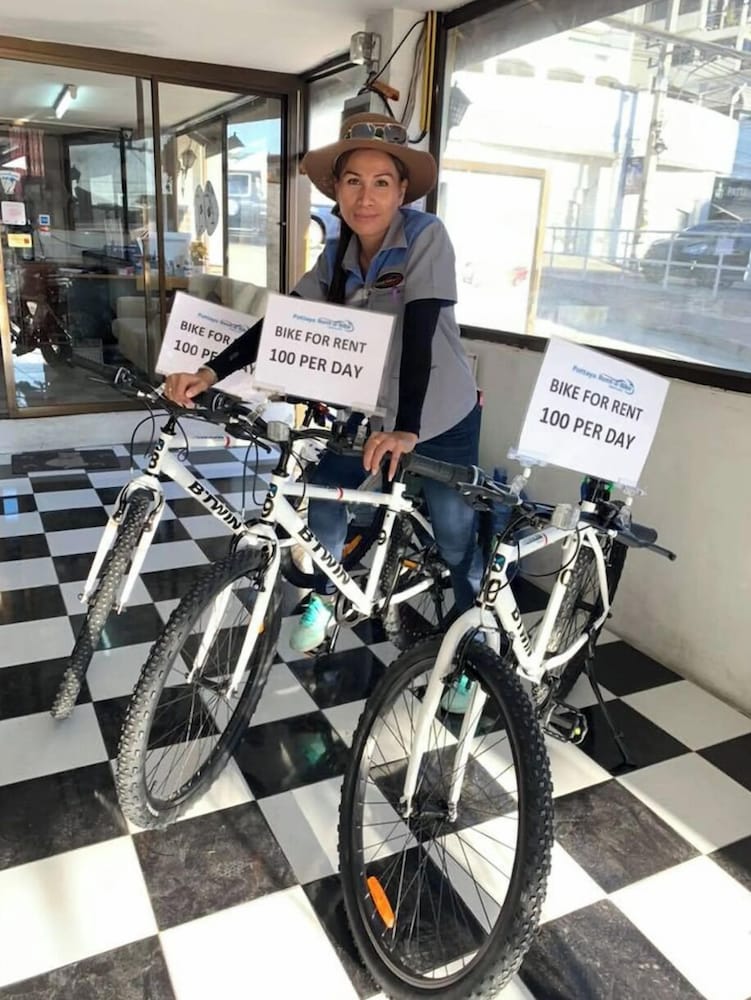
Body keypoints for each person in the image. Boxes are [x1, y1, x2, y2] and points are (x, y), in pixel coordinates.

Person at [164, 112, 482, 653]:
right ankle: (326, 598)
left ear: (401, 190)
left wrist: (406, 429)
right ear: (336, 188)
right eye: (353, 181)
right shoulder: (336, 253)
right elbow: (282, 322)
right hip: (370, 411)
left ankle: (474, 639)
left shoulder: (425, 236)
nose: (366, 197)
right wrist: (212, 370)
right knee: (324, 497)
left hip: (438, 413)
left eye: (381, 182)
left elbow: (421, 332)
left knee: (455, 538)